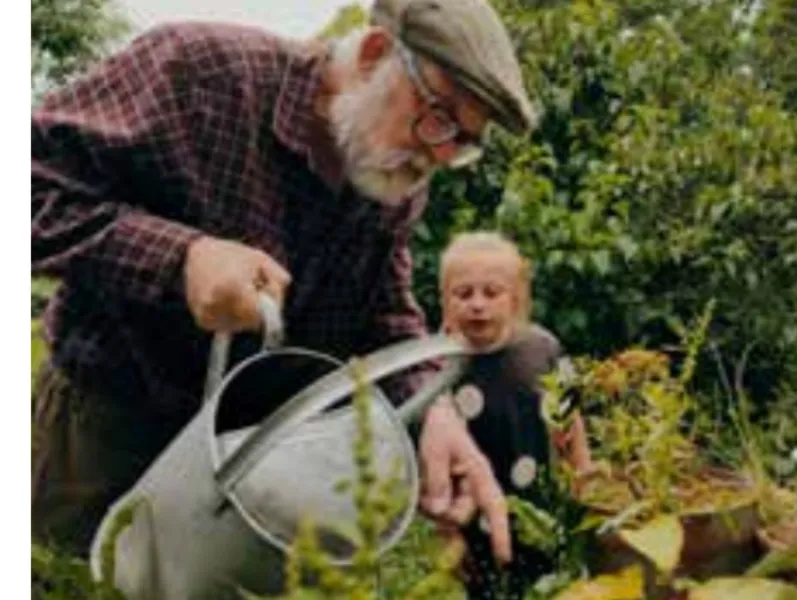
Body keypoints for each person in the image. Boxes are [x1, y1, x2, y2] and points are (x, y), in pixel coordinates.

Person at [31, 0, 537, 563]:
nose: (441, 154)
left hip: (252, 461)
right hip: (104, 434)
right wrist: (180, 258)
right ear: (373, 56)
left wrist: (431, 414)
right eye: (440, 115)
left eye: (464, 142)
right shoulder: (199, 73)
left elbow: (383, 316)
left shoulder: (396, 173)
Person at [435, 232, 592, 599]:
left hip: (541, 505)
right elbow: (436, 466)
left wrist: (583, 472)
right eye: (464, 294)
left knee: (550, 583)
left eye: (492, 293)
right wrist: (448, 533)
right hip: (474, 518)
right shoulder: (437, 367)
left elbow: (571, 417)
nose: (478, 305)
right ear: (445, 301)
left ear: (517, 300)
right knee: (487, 589)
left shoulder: (543, 348)